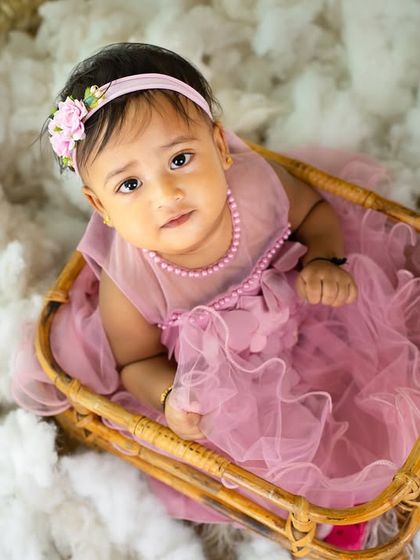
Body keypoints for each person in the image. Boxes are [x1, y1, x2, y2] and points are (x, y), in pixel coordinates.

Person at [12, 43, 420, 553]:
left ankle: (373, 472)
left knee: (373, 381)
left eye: (181, 159)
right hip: (226, 384)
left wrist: (325, 258)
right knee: (259, 461)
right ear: (102, 207)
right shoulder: (129, 278)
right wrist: (169, 397)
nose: (165, 193)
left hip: (306, 317)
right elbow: (135, 360)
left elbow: (315, 211)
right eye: (130, 184)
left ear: (220, 146)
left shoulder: (255, 185)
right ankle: (330, 509)